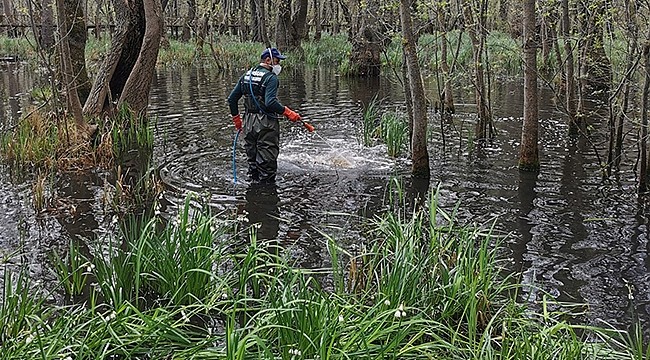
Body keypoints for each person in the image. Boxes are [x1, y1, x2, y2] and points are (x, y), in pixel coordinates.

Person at [227, 47, 302, 184]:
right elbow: (270, 102)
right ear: (268, 60)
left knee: (252, 159)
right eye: (277, 61)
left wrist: (237, 120)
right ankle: (266, 194)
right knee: (267, 161)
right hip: (265, 123)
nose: (279, 65)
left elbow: (232, 99)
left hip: (248, 122)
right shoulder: (271, 78)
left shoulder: (246, 75)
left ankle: (253, 190)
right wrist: (288, 112)